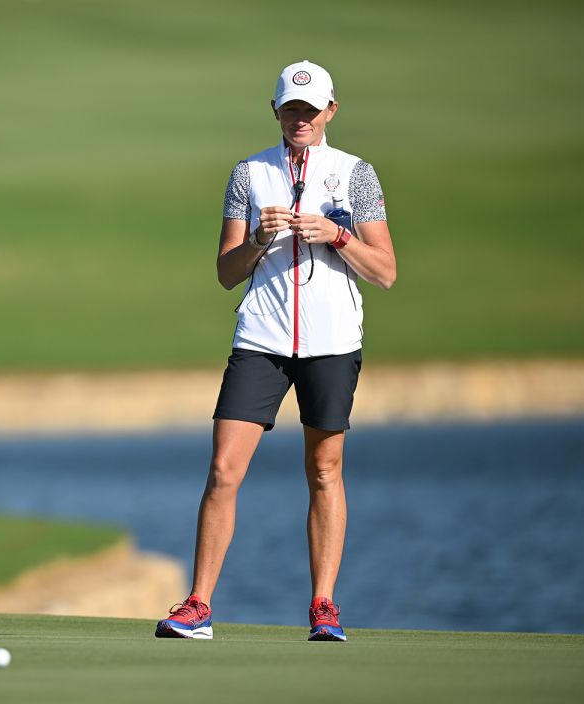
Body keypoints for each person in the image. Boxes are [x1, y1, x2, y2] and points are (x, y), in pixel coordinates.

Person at [155, 60, 396, 642]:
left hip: (332, 341)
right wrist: (261, 239)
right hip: (261, 338)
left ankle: (323, 607)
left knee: (324, 469)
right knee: (222, 470)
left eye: (311, 111)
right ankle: (198, 605)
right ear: (276, 111)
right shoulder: (249, 174)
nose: (301, 120)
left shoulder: (355, 175)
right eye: (291, 109)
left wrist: (337, 235)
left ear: (330, 112)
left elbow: (385, 271)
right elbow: (225, 272)